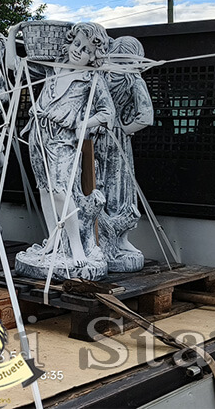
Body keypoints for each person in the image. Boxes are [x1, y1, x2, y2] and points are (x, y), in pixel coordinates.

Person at [22, 22, 115, 268]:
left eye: (86, 50)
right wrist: (12, 34)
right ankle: (54, 238)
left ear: (93, 56)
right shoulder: (54, 68)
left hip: (63, 137)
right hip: (38, 132)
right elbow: (14, 64)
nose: (78, 51)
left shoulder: (91, 78)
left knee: (60, 190)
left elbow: (108, 113)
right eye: (77, 44)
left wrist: (84, 123)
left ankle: (76, 245)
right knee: (44, 188)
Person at [94, 36, 154, 272]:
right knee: (115, 188)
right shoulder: (130, 79)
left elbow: (145, 117)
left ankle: (110, 240)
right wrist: (123, 130)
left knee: (103, 186)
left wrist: (116, 129)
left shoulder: (104, 76)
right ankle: (113, 240)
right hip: (112, 139)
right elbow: (145, 116)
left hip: (99, 136)